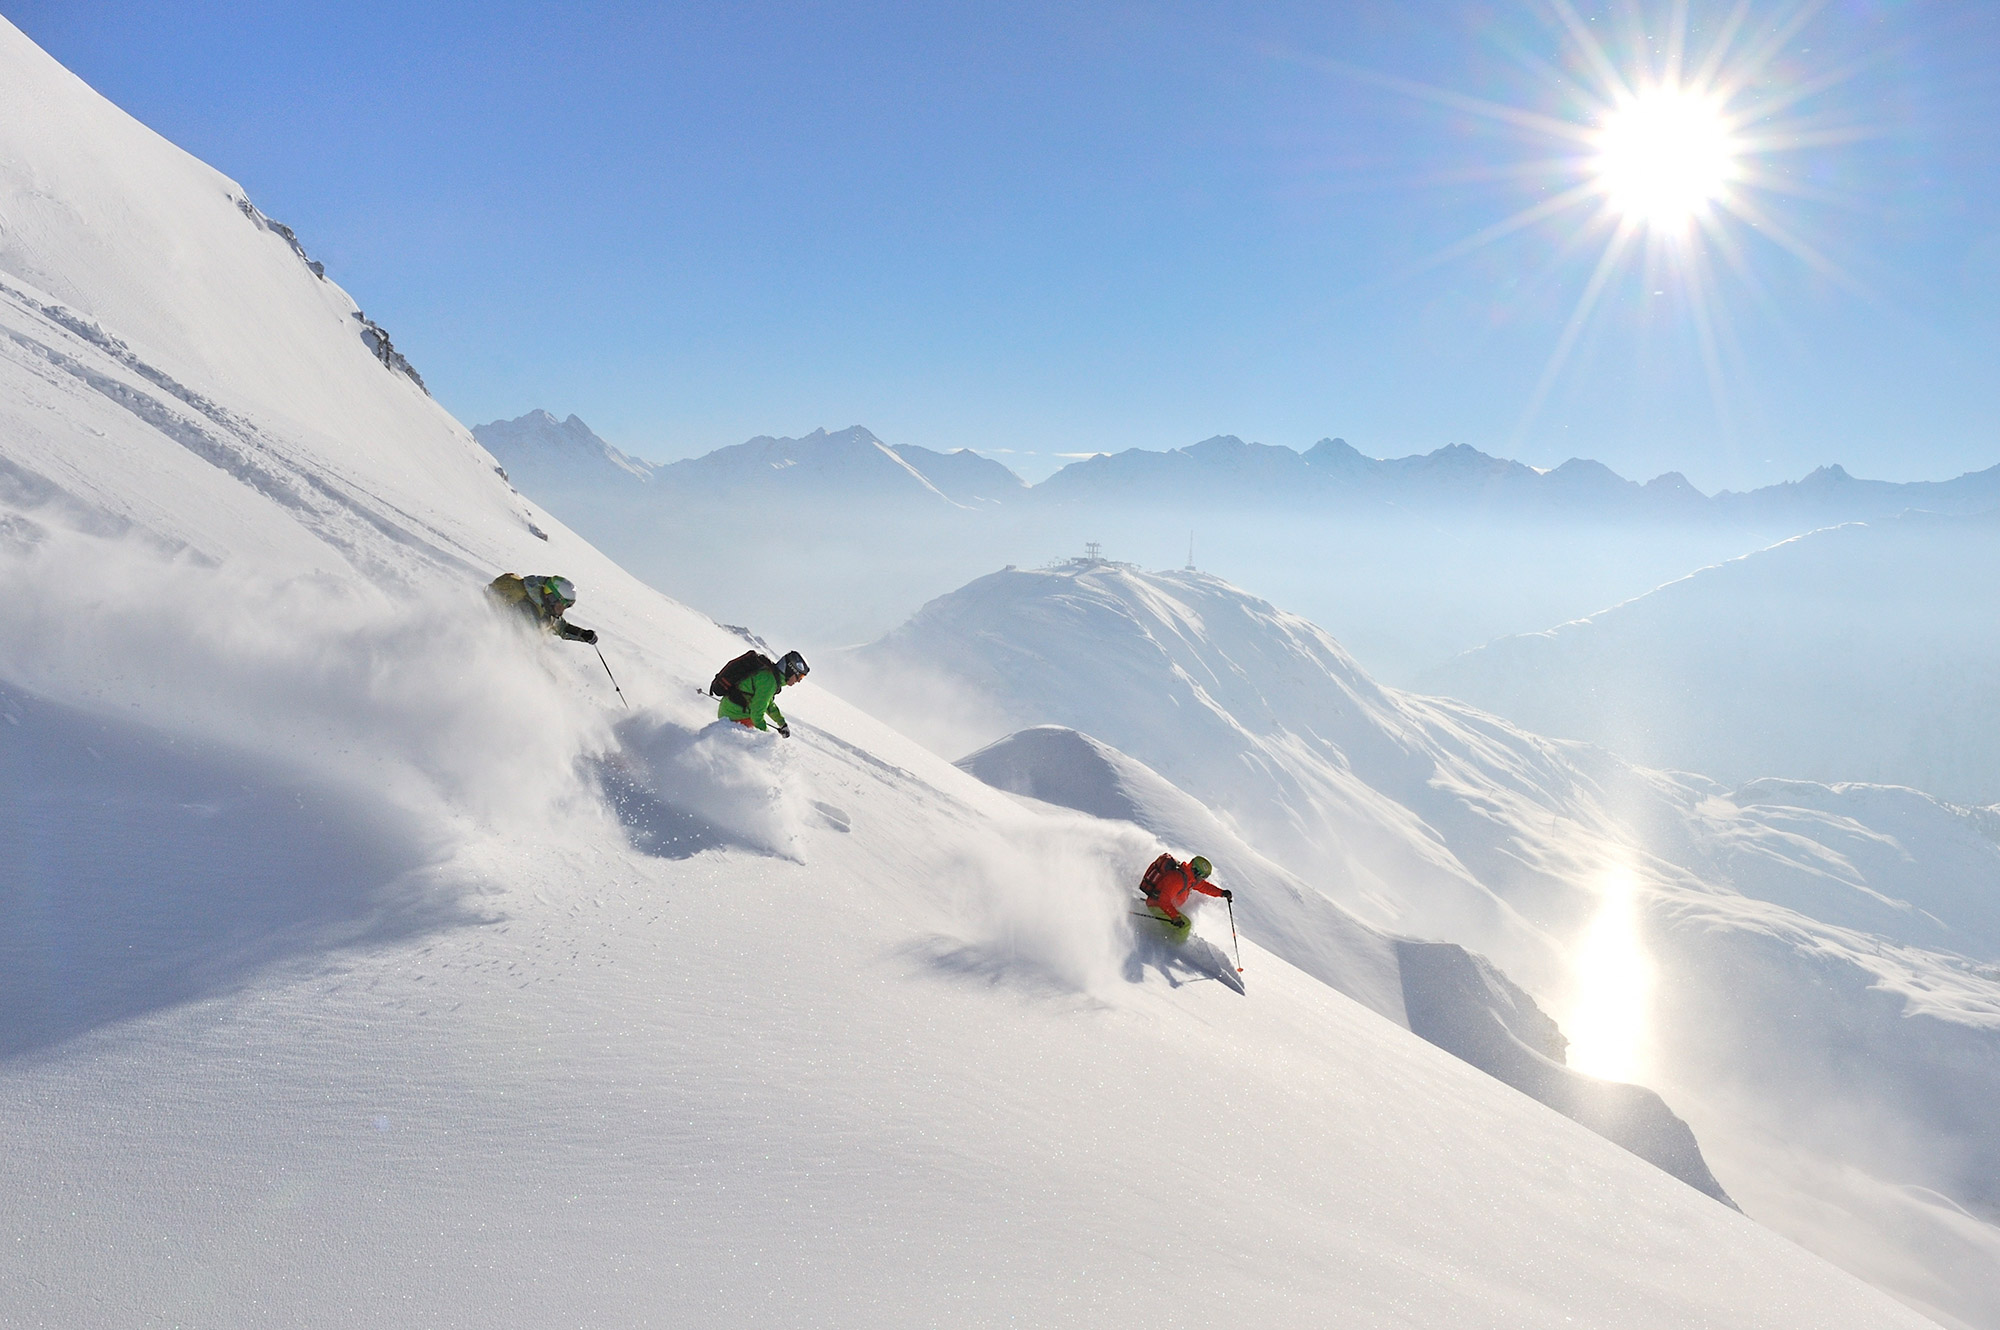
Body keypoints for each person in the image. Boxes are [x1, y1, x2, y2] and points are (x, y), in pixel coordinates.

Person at [714, 649, 809, 737]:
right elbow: (756, 714)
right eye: (799, 676)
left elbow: (768, 704)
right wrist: (766, 737)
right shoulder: (769, 681)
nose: (799, 681)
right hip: (734, 716)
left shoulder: (771, 677)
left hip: (731, 711)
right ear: (791, 670)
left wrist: (782, 723)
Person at [487, 573, 600, 644]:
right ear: (551, 597)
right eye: (560, 606)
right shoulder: (523, 601)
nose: (561, 612)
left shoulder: (546, 610)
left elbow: (561, 627)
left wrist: (583, 634)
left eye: (565, 608)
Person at [1138, 852, 1231, 935]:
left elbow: (1204, 887)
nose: (1203, 879)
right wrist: (1175, 916)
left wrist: (1222, 893)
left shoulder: (1190, 878)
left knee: (1183, 922)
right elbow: (1163, 900)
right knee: (1186, 926)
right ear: (1196, 871)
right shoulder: (1177, 879)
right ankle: (1172, 948)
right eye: (1203, 876)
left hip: (1165, 906)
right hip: (1156, 905)